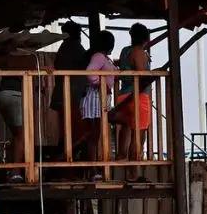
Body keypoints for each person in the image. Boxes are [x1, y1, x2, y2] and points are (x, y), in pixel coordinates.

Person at [115, 23, 153, 180]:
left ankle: (121, 159)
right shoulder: (139, 52)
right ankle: (133, 172)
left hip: (123, 95)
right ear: (146, 39)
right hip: (138, 96)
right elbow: (142, 75)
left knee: (125, 129)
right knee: (139, 133)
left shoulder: (125, 51)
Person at [49, 20, 92, 158]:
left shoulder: (64, 47)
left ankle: (64, 162)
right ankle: (67, 163)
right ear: (76, 34)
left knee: (66, 130)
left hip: (63, 95)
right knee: (75, 131)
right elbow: (86, 63)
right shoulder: (75, 46)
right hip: (71, 95)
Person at [79, 31, 117, 172]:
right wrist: (101, 83)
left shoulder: (104, 58)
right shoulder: (99, 57)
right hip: (95, 97)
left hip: (100, 97)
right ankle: (93, 170)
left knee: (95, 135)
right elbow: (90, 72)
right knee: (94, 135)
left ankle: (93, 168)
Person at [0, 69, 25, 183]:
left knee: (16, 135)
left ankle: (10, 169)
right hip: (16, 94)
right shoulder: (25, 54)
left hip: (2, 94)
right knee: (22, 134)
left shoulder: (7, 54)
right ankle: (16, 172)